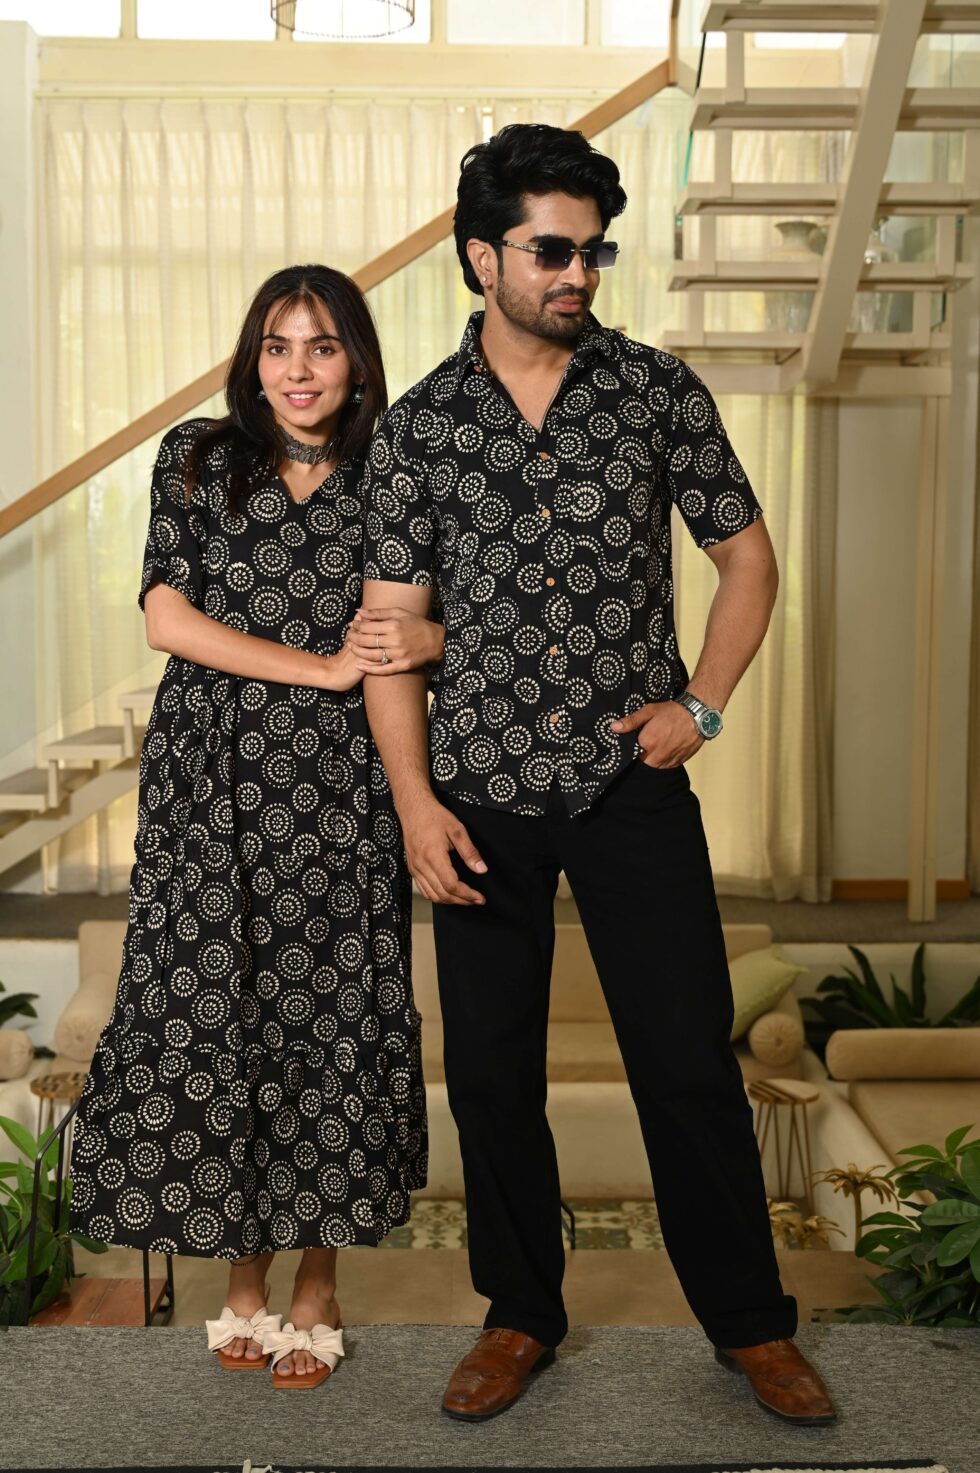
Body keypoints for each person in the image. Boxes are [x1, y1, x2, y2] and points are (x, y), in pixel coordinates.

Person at [360, 124, 836, 1426]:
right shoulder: (418, 429)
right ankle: (520, 1314)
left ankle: (750, 1326)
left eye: (592, 251)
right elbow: (390, 634)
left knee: (685, 1062)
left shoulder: (655, 391)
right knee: (492, 1075)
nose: (577, 272)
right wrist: (413, 805)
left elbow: (748, 560)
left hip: (630, 786)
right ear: (483, 257)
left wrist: (703, 703)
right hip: (476, 793)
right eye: (550, 250)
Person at [70, 263, 440, 1388]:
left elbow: (450, 613)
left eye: (321, 346)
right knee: (221, 1015)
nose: (298, 370)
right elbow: (166, 617)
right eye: (278, 346)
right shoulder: (196, 456)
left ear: (357, 361)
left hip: (342, 787)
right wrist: (318, 667)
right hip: (210, 783)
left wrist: (424, 644)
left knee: (327, 1019)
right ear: (253, 359)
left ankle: (317, 1285)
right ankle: (242, 1280)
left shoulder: (396, 468)